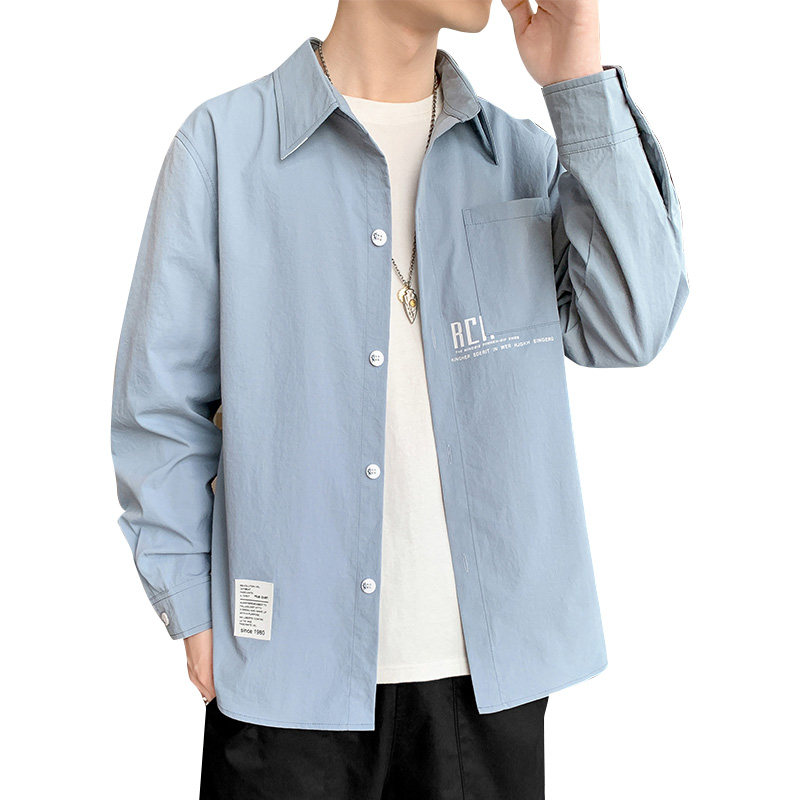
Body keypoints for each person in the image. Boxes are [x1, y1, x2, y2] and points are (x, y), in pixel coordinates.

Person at [110, 0, 688, 797]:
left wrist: (578, 82)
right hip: (284, 677)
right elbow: (159, 407)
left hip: (487, 689)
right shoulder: (223, 147)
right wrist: (191, 604)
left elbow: (633, 323)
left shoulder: (519, 157)